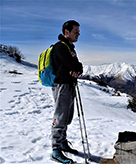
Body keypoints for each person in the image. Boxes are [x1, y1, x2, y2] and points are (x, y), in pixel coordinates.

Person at [50, 20, 83, 164]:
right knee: (61, 117)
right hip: (62, 86)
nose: (78, 34)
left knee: (67, 117)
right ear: (66, 32)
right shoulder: (60, 47)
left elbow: (79, 67)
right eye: (75, 31)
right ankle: (55, 150)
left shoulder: (70, 48)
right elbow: (72, 65)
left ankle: (62, 142)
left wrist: (77, 68)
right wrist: (75, 67)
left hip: (69, 85)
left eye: (78, 31)